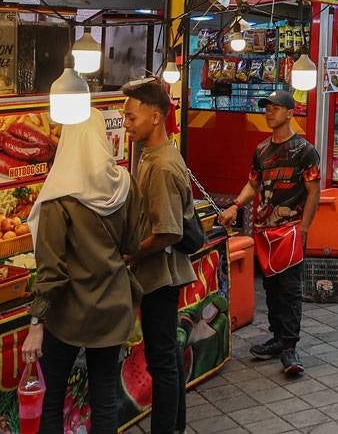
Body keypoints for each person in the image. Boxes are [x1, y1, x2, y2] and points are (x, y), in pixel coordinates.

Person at [22, 109, 143, 434]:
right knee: (104, 396)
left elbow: (52, 272)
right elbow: (132, 243)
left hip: (69, 316)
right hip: (113, 308)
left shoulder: (58, 197)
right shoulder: (124, 185)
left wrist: (36, 322)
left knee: (52, 397)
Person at [218, 90, 321, 376]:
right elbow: (253, 184)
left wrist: (305, 227)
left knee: (290, 289)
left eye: (276, 108)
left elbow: (314, 192)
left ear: (290, 113)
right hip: (264, 230)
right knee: (272, 287)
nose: (269, 112)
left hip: (290, 230)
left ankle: (290, 346)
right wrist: (235, 207)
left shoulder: (304, 151)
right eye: (267, 108)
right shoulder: (261, 150)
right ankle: (277, 338)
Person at [121, 79, 198, 433]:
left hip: (160, 277)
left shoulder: (163, 165)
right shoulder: (152, 154)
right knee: (166, 356)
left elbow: (169, 231)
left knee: (162, 360)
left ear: (155, 118)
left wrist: (131, 255)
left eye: (131, 117)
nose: (126, 124)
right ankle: (177, 425)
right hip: (159, 273)